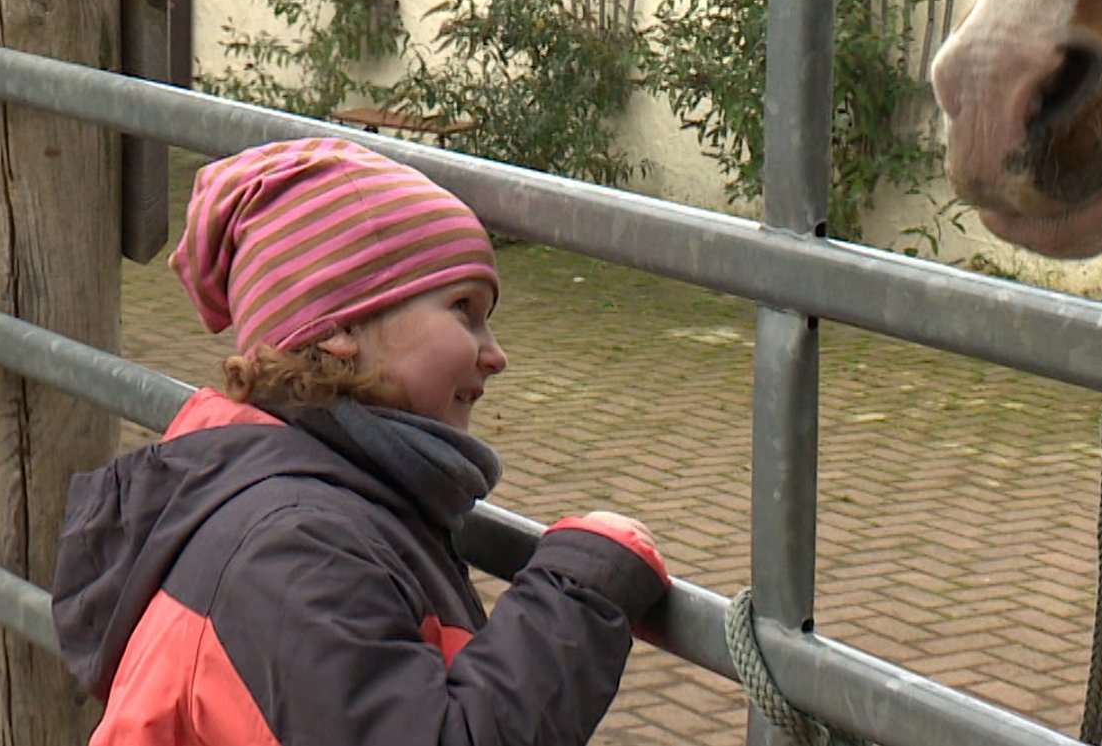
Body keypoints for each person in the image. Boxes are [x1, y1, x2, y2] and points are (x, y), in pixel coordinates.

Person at [52, 136, 669, 745]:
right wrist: (582, 587)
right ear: (340, 328)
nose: (495, 355)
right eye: (463, 309)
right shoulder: (291, 551)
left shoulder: (313, 503)